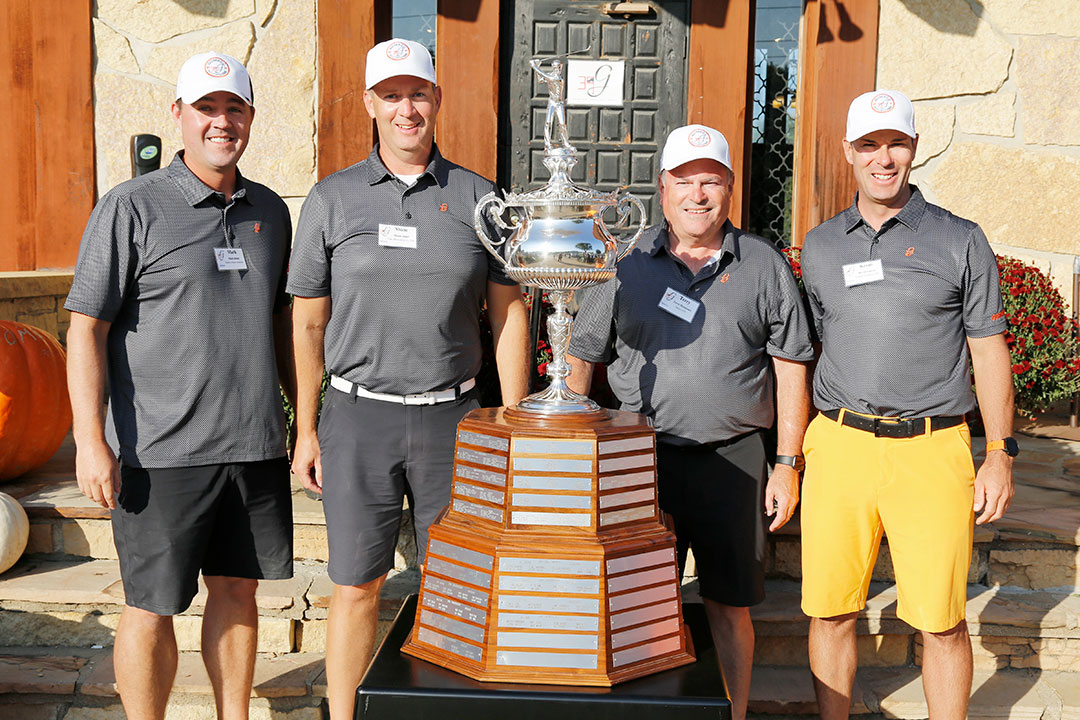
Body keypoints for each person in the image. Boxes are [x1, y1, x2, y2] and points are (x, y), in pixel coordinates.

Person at [288, 38, 529, 720]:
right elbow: (308, 326)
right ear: (369, 104)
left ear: (437, 101)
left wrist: (509, 420)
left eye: (417, 94)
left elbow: (510, 314)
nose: (405, 109)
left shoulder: (480, 197)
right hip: (357, 417)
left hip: (452, 419)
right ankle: (343, 714)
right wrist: (305, 429)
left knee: (457, 584)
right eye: (390, 96)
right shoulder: (333, 199)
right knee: (357, 583)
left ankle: (444, 709)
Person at [65, 51, 295, 720]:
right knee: (149, 606)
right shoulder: (131, 207)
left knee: (239, 593)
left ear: (250, 117)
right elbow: (85, 330)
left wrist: (302, 422)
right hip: (158, 452)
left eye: (234, 108)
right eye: (206, 108)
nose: (221, 122)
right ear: (178, 116)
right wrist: (88, 441)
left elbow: (281, 325)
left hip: (253, 446)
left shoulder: (271, 213)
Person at [567, 124, 813, 720]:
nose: (697, 195)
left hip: (736, 459)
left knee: (730, 606)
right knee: (638, 603)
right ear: (662, 188)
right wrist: (571, 456)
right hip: (640, 462)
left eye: (711, 182)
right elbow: (581, 357)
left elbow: (790, 368)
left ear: (729, 188)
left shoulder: (763, 264)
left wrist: (786, 464)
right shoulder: (622, 262)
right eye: (685, 182)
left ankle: (735, 713)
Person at [800, 90, 1016, 720]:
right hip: (839, 444)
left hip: (933, 448)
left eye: (895, 143)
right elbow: (808, 347)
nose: (883, 157)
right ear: (848, 153)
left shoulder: (961, 240)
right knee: (831, 609)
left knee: (941, 619)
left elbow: (989, 350)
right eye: (868, 144)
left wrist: (1000, 453)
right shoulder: (820, 246)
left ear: (914, 149)